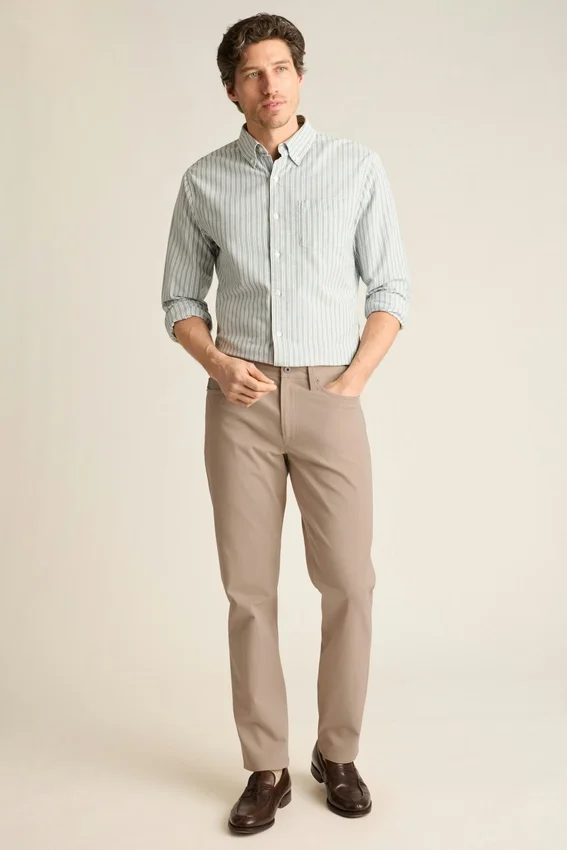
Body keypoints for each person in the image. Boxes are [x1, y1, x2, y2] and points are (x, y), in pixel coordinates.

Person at [161, 12, 411, 836]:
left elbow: (390, 289)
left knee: (349, 583)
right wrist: (215, 363)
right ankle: (264, 766)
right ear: (230, 89)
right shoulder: (204, 181)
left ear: (299, 76)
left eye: (279, 68)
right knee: (248, 590)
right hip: (238, 401)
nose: (268, 84)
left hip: (328, 394)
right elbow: (179, 299)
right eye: (251, 73)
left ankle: (336, 753)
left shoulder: (355, 168)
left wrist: (350, 382)